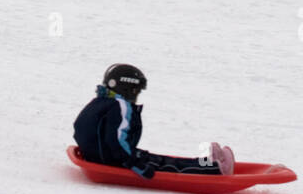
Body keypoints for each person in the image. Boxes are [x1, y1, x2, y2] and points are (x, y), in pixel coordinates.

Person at [73, 64, 233, 177]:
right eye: (135, 91)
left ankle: (208, 163)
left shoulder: (100, 101)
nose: (136, 96)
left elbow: (79, 127)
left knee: (161, 160)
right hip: (115, 161)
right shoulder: (120, 106)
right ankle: (215, 170)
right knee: (165, 166)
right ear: (125, 88)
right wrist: (135, 164)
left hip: (105, 157)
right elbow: (115, 140)